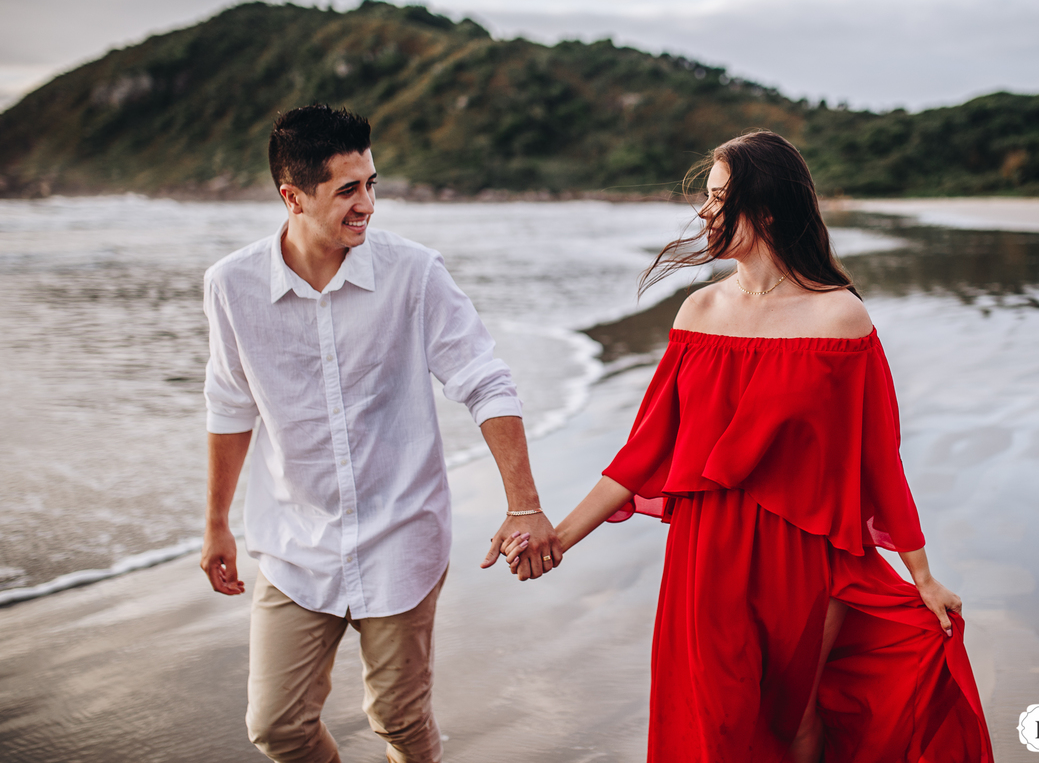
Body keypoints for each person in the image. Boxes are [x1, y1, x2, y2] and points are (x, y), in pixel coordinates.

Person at [500, 131, 994, 762]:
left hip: (807, 554)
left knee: (795, 720)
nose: (703, 213)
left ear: (763, 210)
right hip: (705, 553)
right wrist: (558, 539)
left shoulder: (840, 319)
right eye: (705, 198)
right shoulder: (697, 312)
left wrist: (921, 575)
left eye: (717, 198)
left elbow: (879, 457)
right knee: (717, 720)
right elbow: (643, 453)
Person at [200, 104, 561, 763]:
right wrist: (216, 523)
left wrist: (524, 504)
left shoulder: (414, 272)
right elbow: (229, 404)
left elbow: (485, 380)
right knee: (276, 726)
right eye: (348, 190)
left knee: (396, 717)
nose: (367, 203)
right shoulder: (231, 286)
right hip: (294, 541)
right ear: (293, 197)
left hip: (401, 532)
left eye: (371, 183)